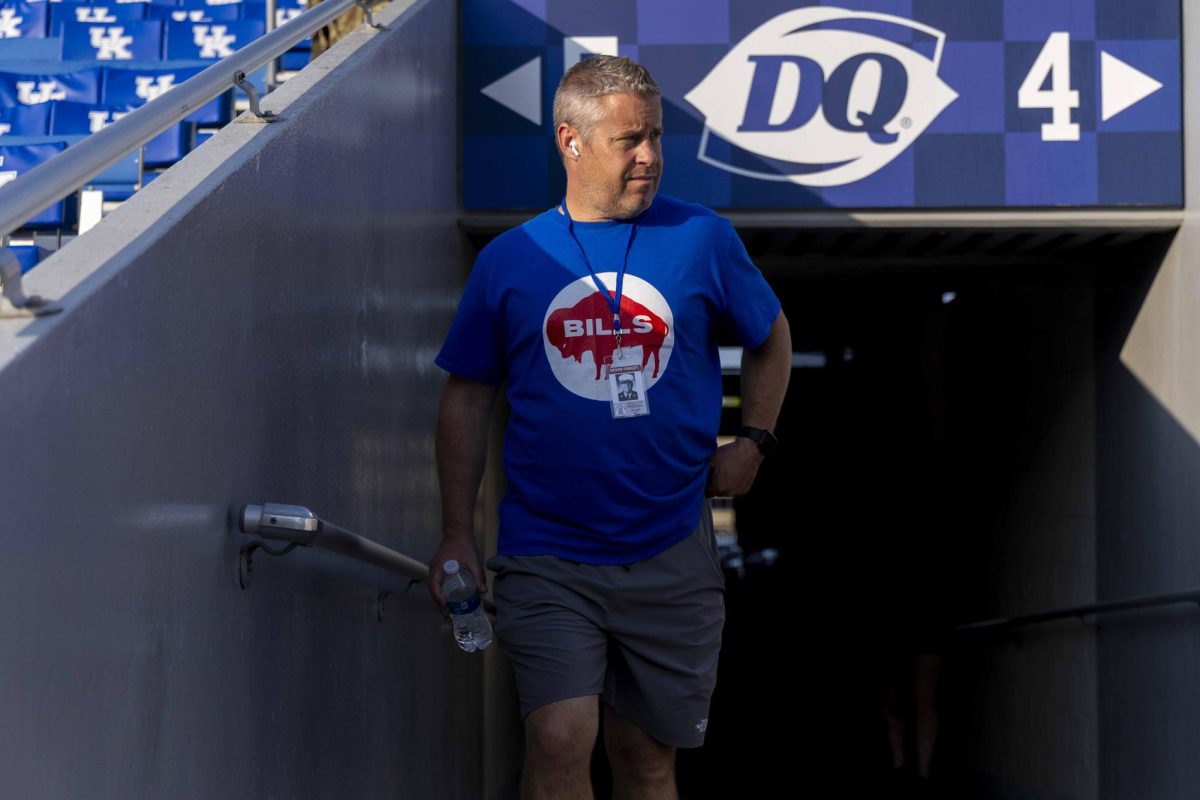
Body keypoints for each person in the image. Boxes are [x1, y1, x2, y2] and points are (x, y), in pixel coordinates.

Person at [428, 55, 792, 799]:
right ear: (571, 140)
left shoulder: (702, 237)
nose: (650, 156)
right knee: (560, 737)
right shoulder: (510, 260)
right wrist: (457, 532)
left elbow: (771, 336)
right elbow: (465, 399)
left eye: (657, 136)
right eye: (630, 140)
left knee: (646, 756)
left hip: (671, 543)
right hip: (548, 549)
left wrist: (754, 440)